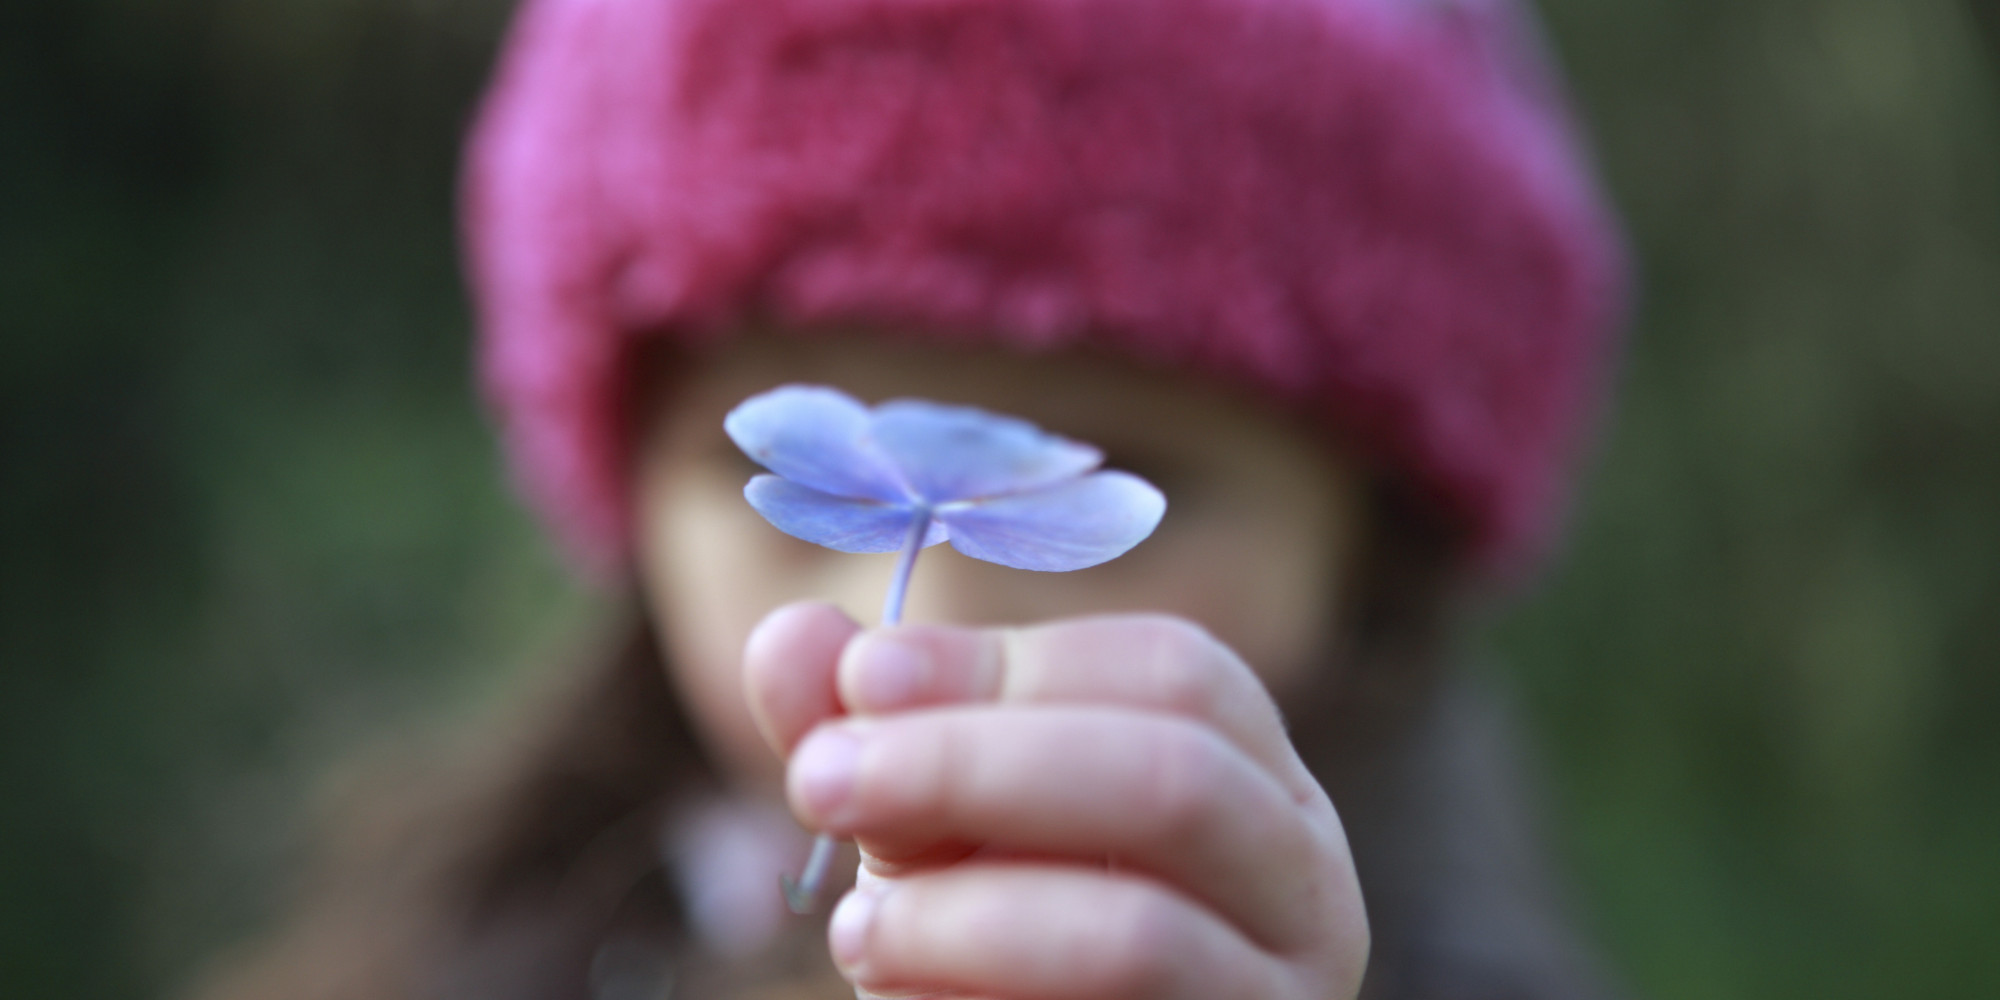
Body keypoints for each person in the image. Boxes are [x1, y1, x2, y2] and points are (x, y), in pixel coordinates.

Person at [192, 0, 1628, 997]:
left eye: (1116, 469)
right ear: (627, 493)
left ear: (1370, 546)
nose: (928, 620)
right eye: (790, 479)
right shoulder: (478, 953)